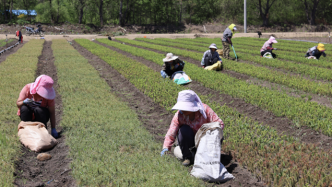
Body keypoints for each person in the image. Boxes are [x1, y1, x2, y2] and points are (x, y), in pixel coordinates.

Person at [160, 90, 224, 166]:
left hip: (205, 142)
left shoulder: (205, 110)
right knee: (183, 130)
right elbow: (172, 132)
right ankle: (188, 157)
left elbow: (219, 123)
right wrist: (166, 147)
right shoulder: (179, 115)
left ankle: (206, 156)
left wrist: (209, 131)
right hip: (189, 144)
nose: (183, 110)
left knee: (215, 132)